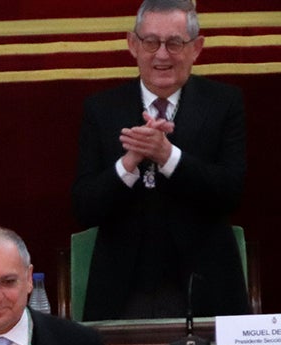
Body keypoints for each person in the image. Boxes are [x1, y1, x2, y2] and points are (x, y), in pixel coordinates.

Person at [71, 0, 248, 321]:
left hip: (205, 286)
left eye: (174, 43)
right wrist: (130, 162)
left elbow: (231, 194)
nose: (162, 55)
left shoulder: (224, 103)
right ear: (132, 44)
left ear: (196, 48)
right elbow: (85, 208)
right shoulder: (101, 109)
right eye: (151, 42)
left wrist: (168, 156)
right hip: (122, 290)